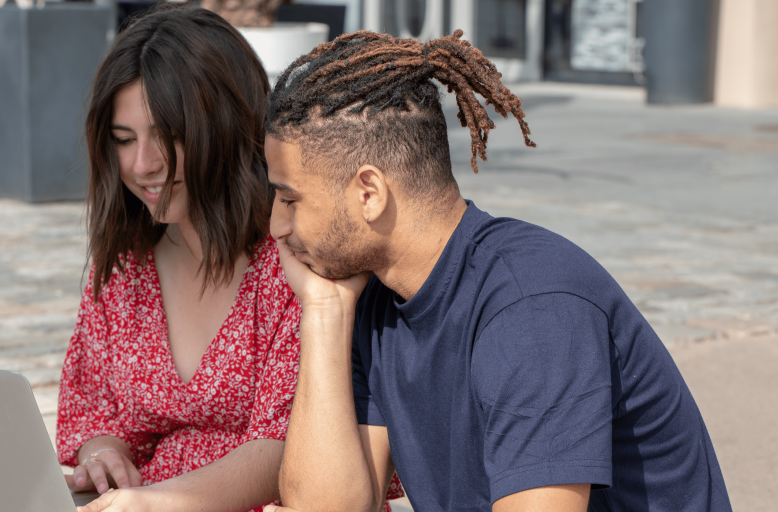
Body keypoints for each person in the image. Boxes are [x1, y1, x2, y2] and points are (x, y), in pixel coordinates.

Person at [263, 30, 732, 512]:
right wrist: (324, 312)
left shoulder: (532, 310)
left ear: (369, 193)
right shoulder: (377, 297)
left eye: (289, 199)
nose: (276, 226)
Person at [54, 6, 303, 512]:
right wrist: (104, 454)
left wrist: (154, 502)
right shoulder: (127, 268)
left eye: (166, 137)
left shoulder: (291, 261)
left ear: (226, 126)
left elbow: (284, 451)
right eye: (124, 141)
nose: (143, 165)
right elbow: (94, 412)